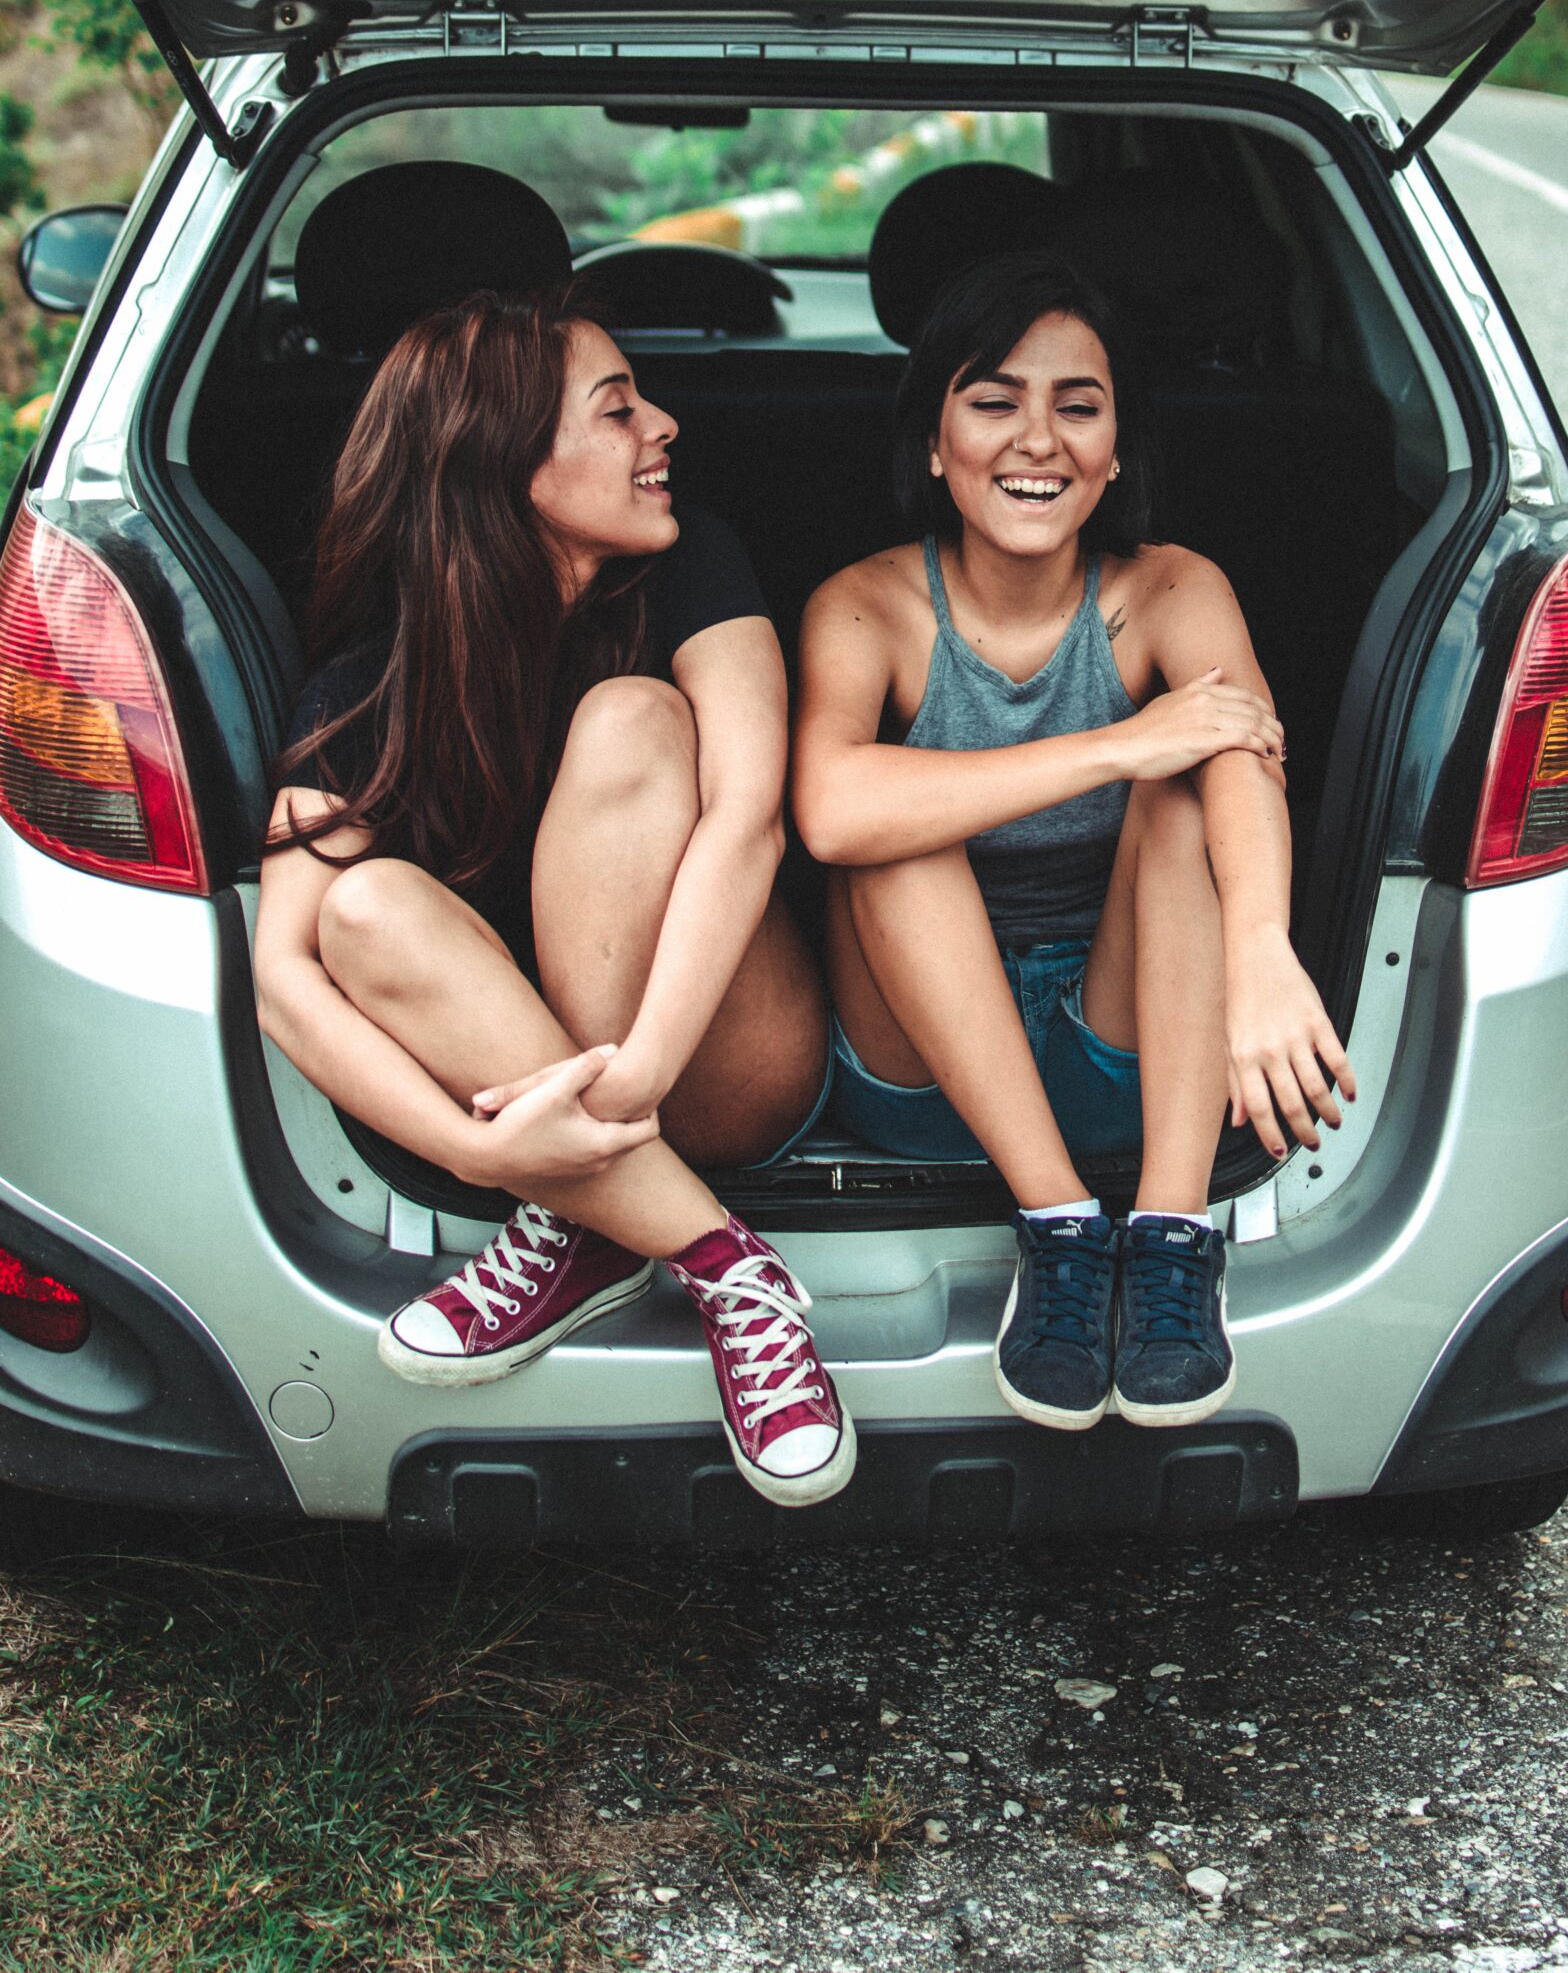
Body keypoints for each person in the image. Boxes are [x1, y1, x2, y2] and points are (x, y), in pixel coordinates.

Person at [253, 285, 854, 1508]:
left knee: (631, 718)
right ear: (510, 463)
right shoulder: (371, 682)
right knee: (356, 910)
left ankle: (581, 1220)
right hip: (537, 1111)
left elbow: (751, 818)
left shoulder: (695, 571)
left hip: (722, 1058)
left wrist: (624, 1088)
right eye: (618, 409)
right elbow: (281, 978)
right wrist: (486, 1149)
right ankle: (717, 1263)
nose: (664, 427)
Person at [791, 254, 1355, 1433]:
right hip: (923, 1071)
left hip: (1131, 1060)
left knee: (1191, 789)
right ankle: (1056, 1227)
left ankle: (1165, 1231)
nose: (1035, 439)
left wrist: (1259, 953)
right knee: (899, 824)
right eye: (993, 401)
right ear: (936, 444)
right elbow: (831, 812)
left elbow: (1245, 752)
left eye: (1076, 406)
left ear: (1113, 455)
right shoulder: (866, 604)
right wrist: (1116, 744)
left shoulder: (1170, 588)